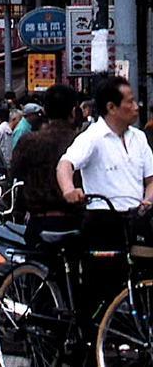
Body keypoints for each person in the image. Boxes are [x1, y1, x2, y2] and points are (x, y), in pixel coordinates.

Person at [56, 75, 153, 318]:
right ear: (111, 107)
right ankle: (90, 341)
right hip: (103, 220)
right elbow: (65, 164)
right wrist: (69, 189)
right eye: (130, 102)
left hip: (135, 219)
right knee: (101, 288)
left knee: (140, 279)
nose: (136, 106)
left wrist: (148, 199)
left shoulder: (139, 137)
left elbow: (151, 180)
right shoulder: (93, 137)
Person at [9, 84, 79, 237]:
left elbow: (14, 174)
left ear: (45, 111)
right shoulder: (81, 142)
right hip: (75, 224)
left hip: (38, 223)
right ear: (74, 112)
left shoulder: (28, 141)